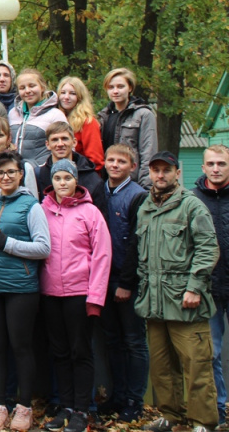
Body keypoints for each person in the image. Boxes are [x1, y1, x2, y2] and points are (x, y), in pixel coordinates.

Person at [128, 152, 218, 432]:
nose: (161, 175)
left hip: (185, 300)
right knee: (162, 366)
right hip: (154, 300)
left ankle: (203, 421)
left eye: (166, 170)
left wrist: (195, 287)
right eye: (156, 170)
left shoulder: (192, 206)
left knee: (197, 365)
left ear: (178, 173)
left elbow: (207, 249)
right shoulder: (145, 207)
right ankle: (171, 415)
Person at [0, 150, 51, 432]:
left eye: (11, 172)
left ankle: (24, 407)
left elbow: (43, 247)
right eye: (0, 173)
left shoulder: (31, 206)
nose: (5, 177)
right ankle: (0, 405)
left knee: (21, 347)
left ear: (20, 174)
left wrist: (8, 243)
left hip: (20, 289)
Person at [39, 159, 112, 432]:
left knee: (80, 351)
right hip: (50, 293)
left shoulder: (90, 213)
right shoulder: (42, 210)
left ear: (75, 181)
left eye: (67, 179)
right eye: (57, 178)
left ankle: (82, 409)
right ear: (52, 182)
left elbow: (102, 255)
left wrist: (95, 297)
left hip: (80, 293)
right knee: (59, 352)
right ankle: (66, 405)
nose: (62, 183)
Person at [100, 144, 149, 422]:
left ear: (132, 166)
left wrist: (127, 283)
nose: (115, 165)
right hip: (102, 279)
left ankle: (134, 399)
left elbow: (136, 244)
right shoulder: (100, 191)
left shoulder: (137, 196)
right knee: (112, 340)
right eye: (111, 160)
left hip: (125, 280)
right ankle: (117, 396)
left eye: (122, 161)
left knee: (133, 341)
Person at [193, 144, 229, 426]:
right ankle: (218, 409)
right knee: (211, 352)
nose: (216, 169)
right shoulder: (193, 201)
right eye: (211, 164)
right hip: (209, 289)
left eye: (222, 163)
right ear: (203, 167)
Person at [97, 68, 157, 188]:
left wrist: (145, 188)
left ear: (130, 88)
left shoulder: (143, 115)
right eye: (111, 87)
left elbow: (148, 154)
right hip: (106, 184)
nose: (115, 91)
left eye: (120, 86)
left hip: (133, 184)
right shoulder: (103, 117)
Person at [34, 122, 105, 211]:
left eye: (64, 139)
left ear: (74, 142)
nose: (60, 144)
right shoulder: (39, 175)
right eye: (55, 140)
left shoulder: (92, 179)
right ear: (47, 144)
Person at [9, 68, 66, 166]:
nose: (27, 91)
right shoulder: (13, 113)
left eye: (32, 86)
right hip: (16, 173)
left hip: (42, 172)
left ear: (42, 87)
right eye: (22, 88)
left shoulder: (55, 115)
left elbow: (67, 148)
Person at [55, 76, 104, 171]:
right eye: (63, 93)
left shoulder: (88, 122)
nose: (66, 97)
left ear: (80, 97)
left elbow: (96, 160)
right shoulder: (55, 119)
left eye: (72, 93)